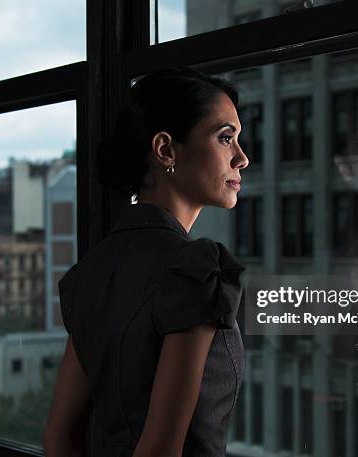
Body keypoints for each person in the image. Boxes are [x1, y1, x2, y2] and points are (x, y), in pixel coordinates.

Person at [43, 66, 250, 457]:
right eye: (226, 139)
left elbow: (59, 436)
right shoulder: (196, 268)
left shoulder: (92, 269)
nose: (242, 158)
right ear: (166, 150)